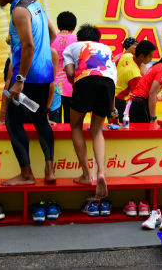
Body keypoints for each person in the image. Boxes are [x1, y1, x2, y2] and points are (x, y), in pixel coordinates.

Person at [0, 0, 56, 186]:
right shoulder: (35, 4)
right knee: (39, 119)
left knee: (13, 122)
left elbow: (28, 46)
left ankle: (27, 174)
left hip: (26, 78)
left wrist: (19, 80)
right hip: (44, 75)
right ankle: (49, 170)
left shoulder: (19, 10)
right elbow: (52, 34)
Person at [62, 24, 117, 199]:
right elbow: (112, 77)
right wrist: (112, 110)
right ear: (97, 39)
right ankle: (101, 172)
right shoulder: (107, 49)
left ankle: (86, 174)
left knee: (76, 126)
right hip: (108, 85)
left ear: (79, 38)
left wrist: (78, 84)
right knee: (97, 130)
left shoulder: (72, 47)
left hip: (85, 81)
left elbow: (70, 73)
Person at [114, 40, 156, 122]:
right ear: (141, 56)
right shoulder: (135, 75)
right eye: (150, 56)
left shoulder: (127, 55)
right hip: (120, 101)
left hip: (112, 94)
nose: (151, 59)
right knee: (121, 126)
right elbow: (136, 97)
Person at [50, 11, 77, 123]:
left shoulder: (50, 38)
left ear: (58, 25)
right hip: (71, 85)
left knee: (54, 122)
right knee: (70, 123)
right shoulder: (76, 40)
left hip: (52, 85)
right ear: (74, 27)